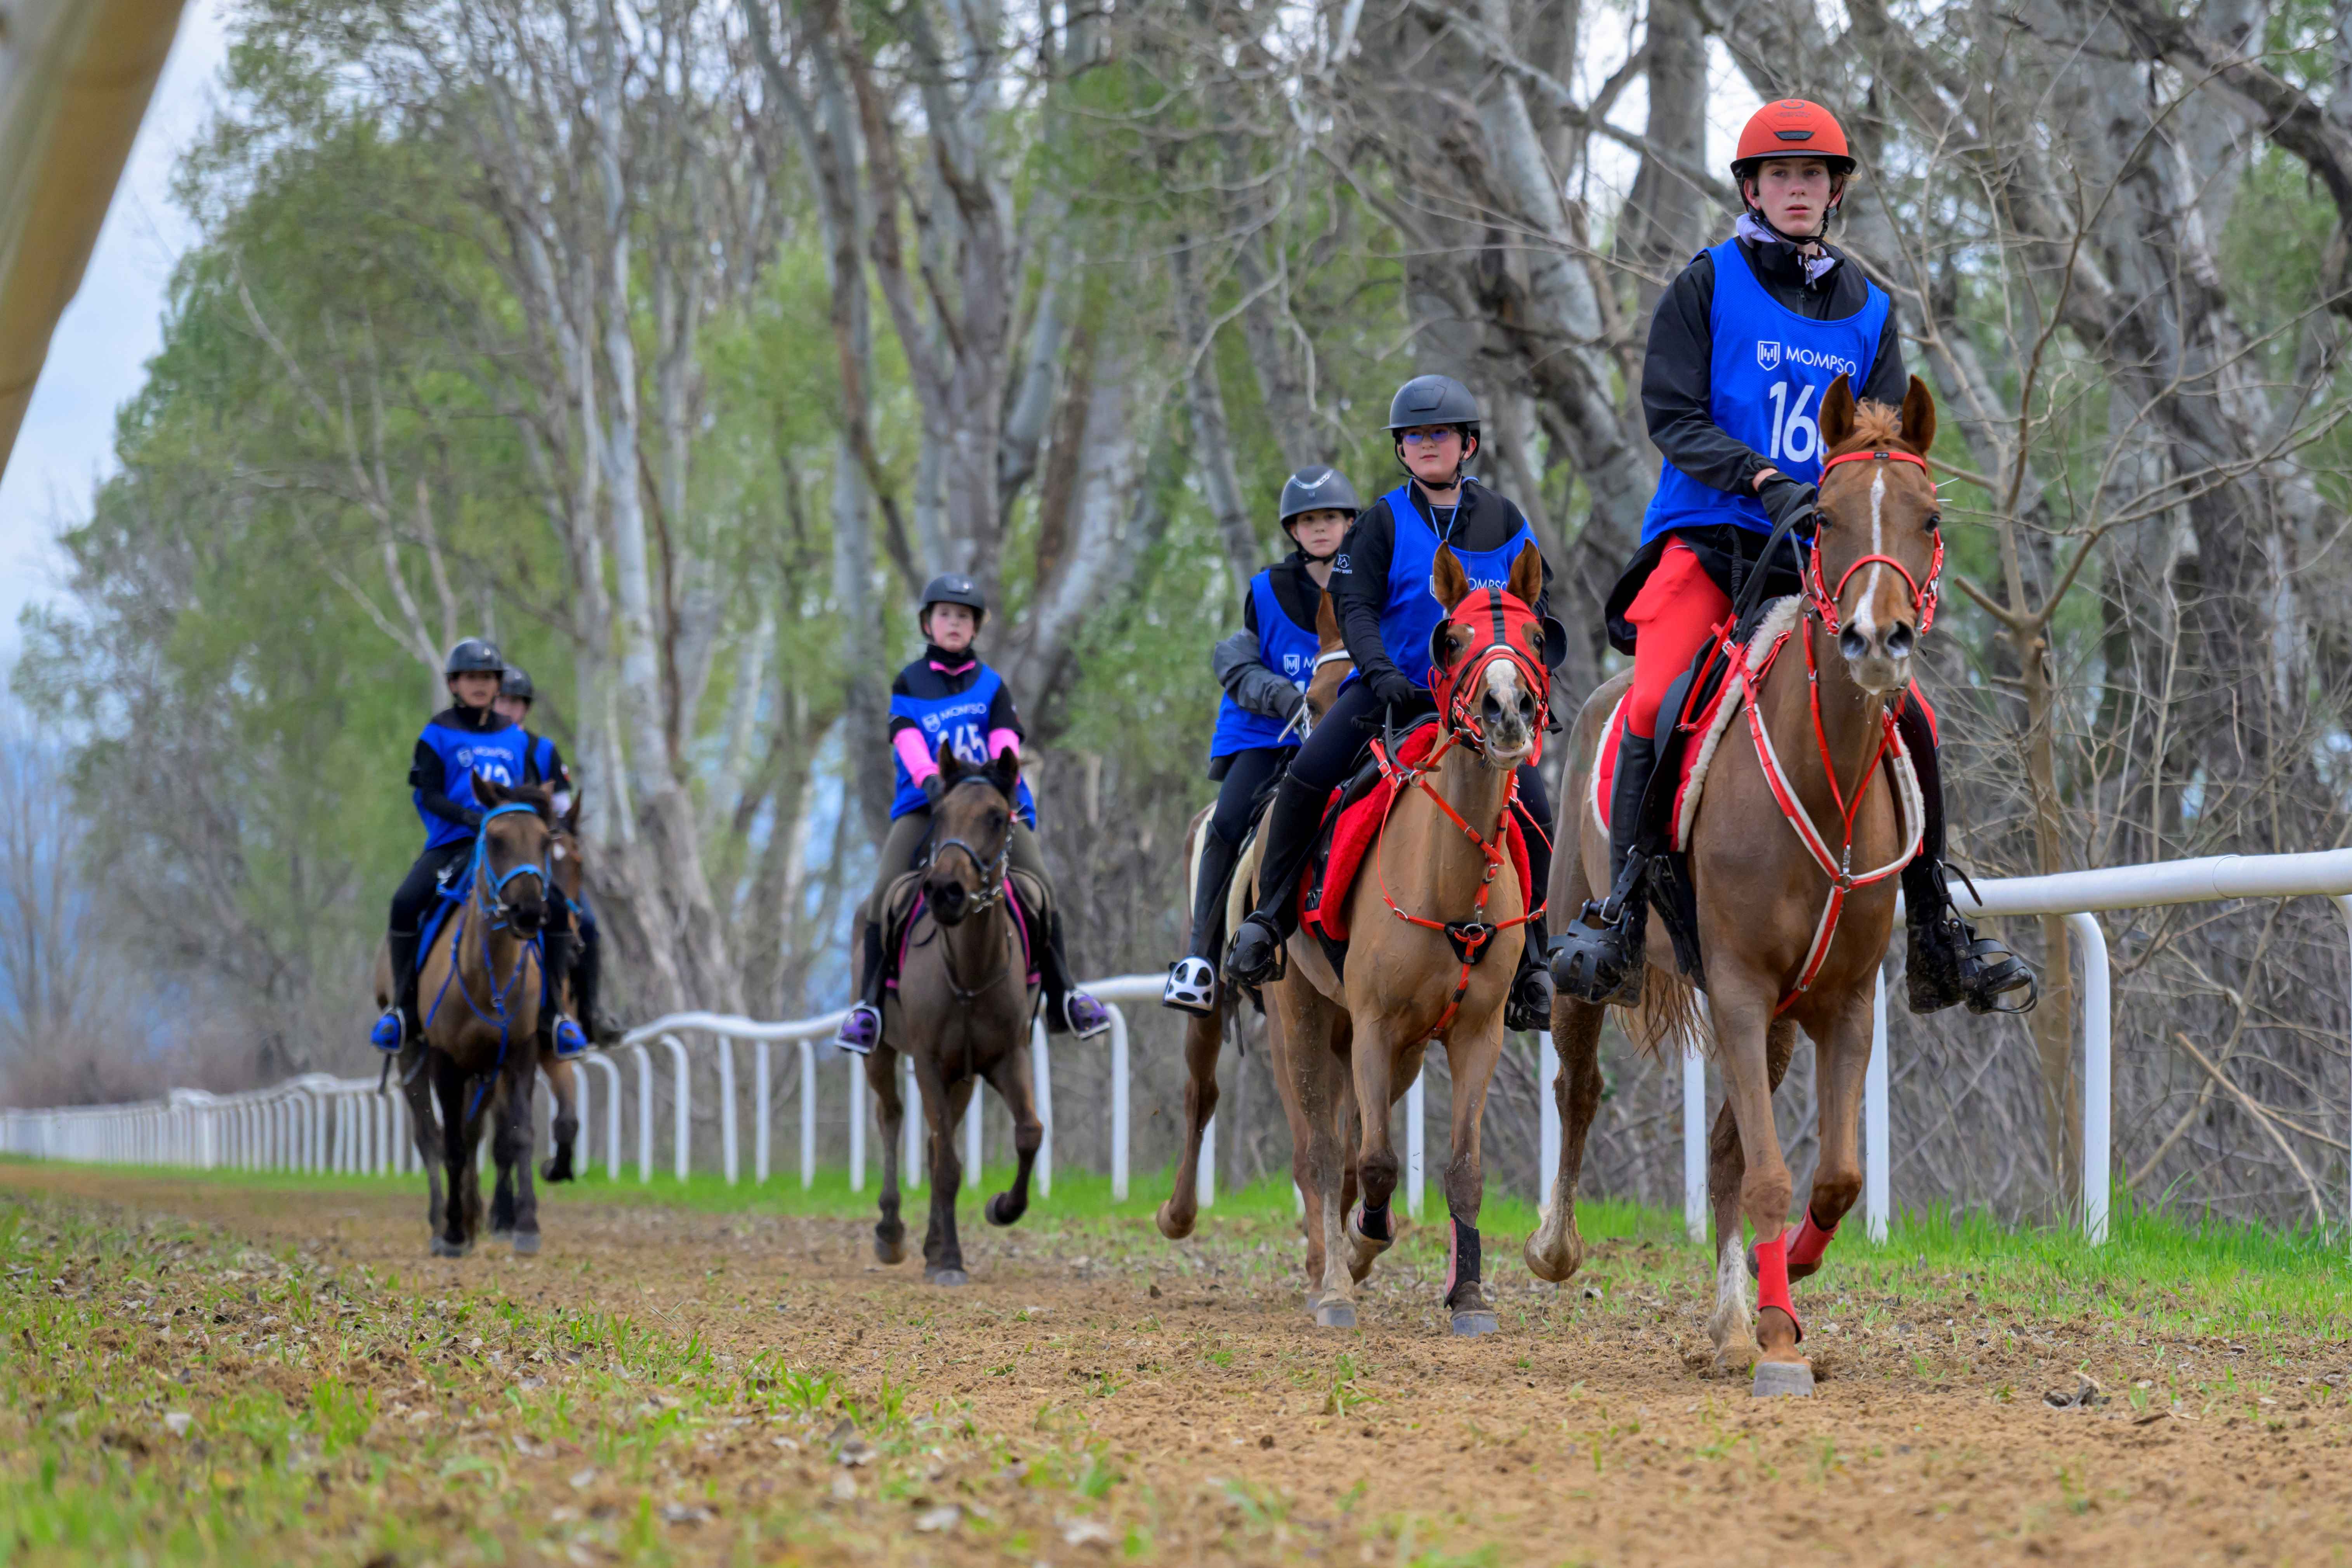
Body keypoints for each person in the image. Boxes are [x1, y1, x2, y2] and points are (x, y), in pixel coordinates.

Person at [1548, 99, 2032, 1015]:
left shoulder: (1871, 310)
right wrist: (1761, 476)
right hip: (1709, 541)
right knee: (1652, 700)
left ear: (1833, 190)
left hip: (1819, 560)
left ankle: (1936, 929)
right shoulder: (1705, 284)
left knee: (1914, 718)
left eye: (1812, 175)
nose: (1797, 189)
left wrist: (1842, 508)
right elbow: (1671, 414)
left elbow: (1885, 443)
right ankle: (1618, 916)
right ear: (1753, 189)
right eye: (1779, 176)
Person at [1222, 376, 1560, 1031]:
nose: (1426, 444)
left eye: (1439, 433)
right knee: (1306, 775)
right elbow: (1354, 606)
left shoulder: (1505, 520)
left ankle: (1534, 959)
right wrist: (1378, 672)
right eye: (1413, 436)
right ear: (1401, 449)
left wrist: (1527, 682)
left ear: (1467, 444)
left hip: (1480, 707)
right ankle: (1268, 921)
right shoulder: (1380, 520)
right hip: (1394, 695)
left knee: (1537, 809)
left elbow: (1531, 611)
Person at [833, 575, 1111, 1054]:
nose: (954, 623)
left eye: (963, 617)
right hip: (927, 805)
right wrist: (931, 781)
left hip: (990, 808)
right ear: (927, 623)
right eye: (945, 615)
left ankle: (1065, 993)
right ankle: (869, 1008)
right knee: (884, 893)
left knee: (1040, 886)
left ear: (976, 628)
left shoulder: (991, 685)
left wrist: (1004, 778)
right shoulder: (909, 682)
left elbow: (1005, 738)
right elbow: (908, 740)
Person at [1163, 467, 1357, 1014]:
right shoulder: (1267, 589)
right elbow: (1237, 657)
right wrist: (1282, 696)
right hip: (1272, 736)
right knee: (1226, 823)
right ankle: (1199, 961)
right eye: (1308, 520)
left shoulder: (1372, 581)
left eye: (1330, 518)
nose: (1320, 528)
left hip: (1345, 729)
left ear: (1349, 523)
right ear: (1293, 530)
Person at [370, 639, 584, 1054]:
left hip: (508, 848)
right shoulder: (436, 733)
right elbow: (428, 795)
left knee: (557, 907)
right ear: (454, 684)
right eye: (471, 677)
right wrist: (470, 818)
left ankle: (554, 1016)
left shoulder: (515, 739)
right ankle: (404, 1010)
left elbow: (523, 792)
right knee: (405, 902)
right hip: (453, 843)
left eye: (487, 678)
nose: (480, 685)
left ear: (497, 684)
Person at [496, 666, 612, 1052]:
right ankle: (413, 1010)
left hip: (537, 857)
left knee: (587, 924)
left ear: (525, 708)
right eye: (501, 701)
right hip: (491, 856)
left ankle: (588, 1015)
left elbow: (563, 813)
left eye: (514, 702)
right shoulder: (473, 750)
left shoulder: (542, 751)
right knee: (427, 904)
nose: (506, 708)